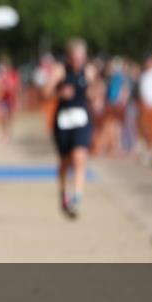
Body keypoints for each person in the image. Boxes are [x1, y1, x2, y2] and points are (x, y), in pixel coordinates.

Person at [46, 38, 95, 218]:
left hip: (82, 120)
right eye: (75, 57)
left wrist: (94, 90)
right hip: (63, 121)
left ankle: (76, 198)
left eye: (81, 57)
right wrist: (59, 92)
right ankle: (63, 194)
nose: (78, 60)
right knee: (65, 162)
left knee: (79, 157)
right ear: (69, 57)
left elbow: (95, 94)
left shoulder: (88, 72)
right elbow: (45, 93)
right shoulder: (60, 71)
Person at [0, 55, 20, 142]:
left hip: (10, 99)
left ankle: (8, 133)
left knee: (8, 118)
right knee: (2, 116)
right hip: (2, 99)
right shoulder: (0, 75)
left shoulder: (13, 74)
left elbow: (15, 87)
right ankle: (3, 133)